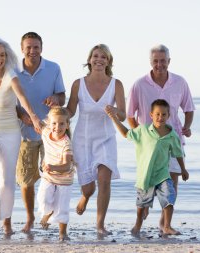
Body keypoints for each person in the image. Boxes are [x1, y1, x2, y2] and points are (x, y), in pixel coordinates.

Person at [0, 37, 42, 235]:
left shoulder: (11, 75)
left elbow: (22, 97)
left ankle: (7, 222)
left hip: (10, 131)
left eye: (2, 55)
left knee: (7, 179)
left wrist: (34, 118)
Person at [126, 44, 195, 227]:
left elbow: (188, 109)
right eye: (155, 61)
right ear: (150, 62)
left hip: (171, 141)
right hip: (148, 146)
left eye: (163, 61)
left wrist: (187, 127)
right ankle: (143, 213)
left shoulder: (180, 82)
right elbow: (130, 114)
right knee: (147, 181)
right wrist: (140, 137)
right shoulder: (139, 84)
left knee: (172, 182)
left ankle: (165, 223)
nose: (159, 64)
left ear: (169, 61)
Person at [106, 99, 189, 236]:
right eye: (157, 114)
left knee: (170, 197)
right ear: (151, 115)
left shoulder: (172, 135)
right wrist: (114, 118)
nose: (160, 117)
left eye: (163, 114)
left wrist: (183, 169)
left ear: (169, 116)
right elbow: (126, 133)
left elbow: (178, 153)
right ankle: (137, 225)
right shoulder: (143, 130)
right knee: (142, 205)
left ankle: (167, 226)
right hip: (145, 176)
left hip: (163, 175)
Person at [67, 44, 126, 235]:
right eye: (95, 56)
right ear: (89, 59)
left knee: (104, 179)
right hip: (82, 141)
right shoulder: (78, 84)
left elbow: (123, 115)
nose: (99, 60)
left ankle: (100, 225)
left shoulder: (116, 84)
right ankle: (85, 196)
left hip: (106, 139)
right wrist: (55, 111)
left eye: (104, 57)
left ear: (109, 62)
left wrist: (116, 111)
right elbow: (70, 111)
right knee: (89, 187)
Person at [15, 32, 66, 233]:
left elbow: (62, 96)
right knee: (26, 181)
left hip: (51, 134)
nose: (32, 51)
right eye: (28, 47)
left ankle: (48, 215)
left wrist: (55, 97)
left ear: (41, 48)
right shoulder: (13, 71)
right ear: (22, 49)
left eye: (36, 47)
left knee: (52, 177)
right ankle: (30, 218)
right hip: (24, 133)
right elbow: (10, 103)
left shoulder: (53, 68)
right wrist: (22, 115)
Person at [36, 107, 75, 241]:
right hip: (49, 177)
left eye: (62, 124)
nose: (57, 127)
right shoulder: (46, 132)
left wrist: (52, 166)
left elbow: (66, 166)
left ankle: (63, 233)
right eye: (54, 123)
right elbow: (36, 122)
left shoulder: (66, 144)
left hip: (64, 179)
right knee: (43, 198)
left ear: (67, 125)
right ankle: (48, 213)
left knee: (62, 206)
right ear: (49, 123)